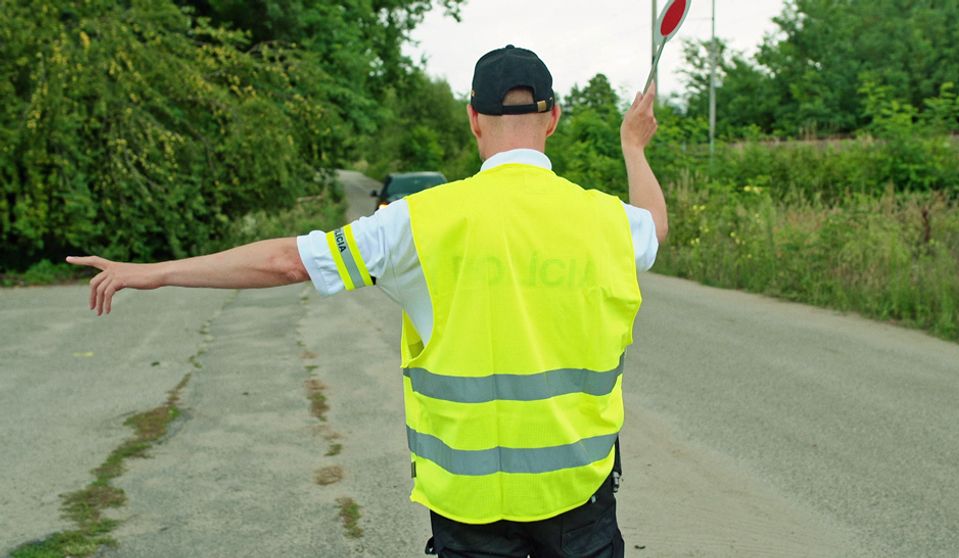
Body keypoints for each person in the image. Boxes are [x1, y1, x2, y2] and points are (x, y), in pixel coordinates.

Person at [68, 45, 667, 558]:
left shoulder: (416, 220)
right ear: (554, 118)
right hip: (578, 492)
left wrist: (155, 272)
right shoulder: (609, 222)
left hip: (469, 502)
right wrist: (633, 147)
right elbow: (656, 226)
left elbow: (286, 261)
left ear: (473, 120)